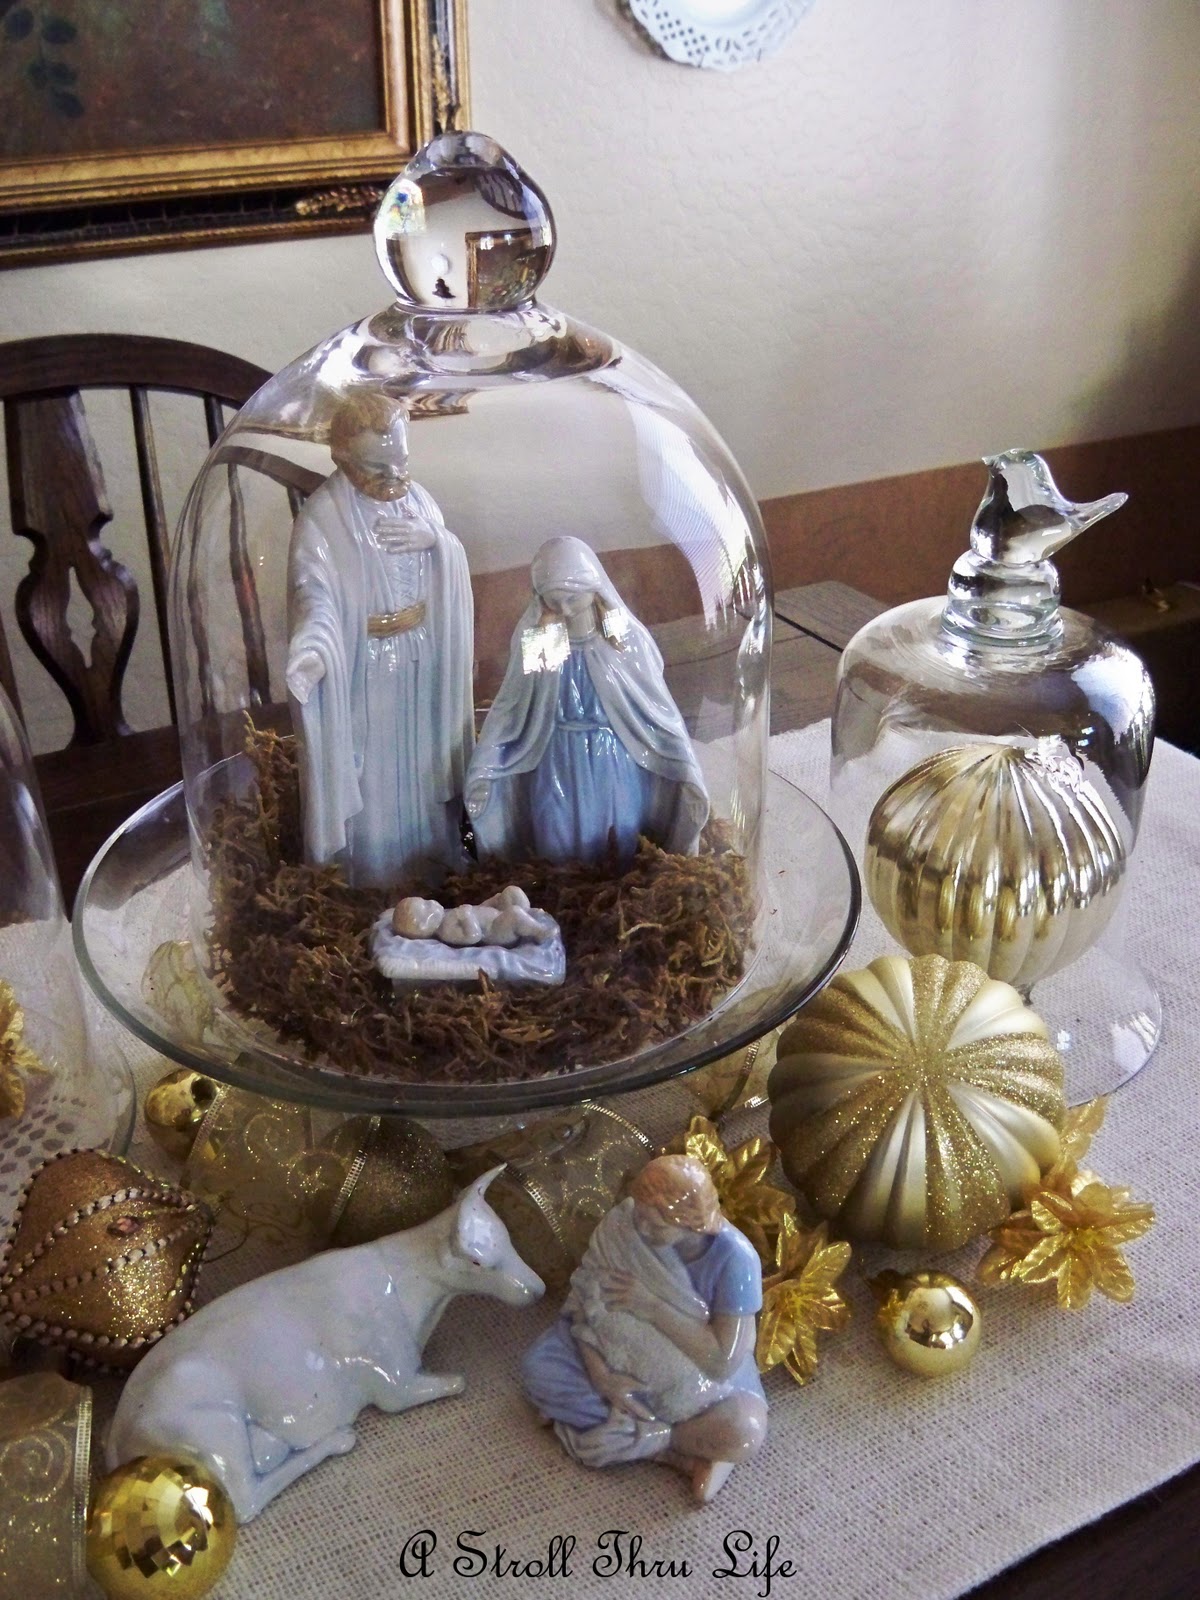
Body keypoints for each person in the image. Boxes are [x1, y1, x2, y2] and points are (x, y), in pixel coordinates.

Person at [285, 392, 474, 888]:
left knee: (423, 763)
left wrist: (438, 544)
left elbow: (451, 568)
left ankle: (435, 862)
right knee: (376, 773)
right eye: (377, 467)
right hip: (364, 665)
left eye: (401, 463)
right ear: (342, 458)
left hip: (421, 657)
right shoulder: (323, 519)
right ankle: (375, 874)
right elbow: (312, 593)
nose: (393, 477)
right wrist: (314, 648)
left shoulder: (420, 501)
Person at [521, 1154, 767, 1504]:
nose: (643, 1231)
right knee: (538, 1368)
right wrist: (603, 1377)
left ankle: (653, 1439)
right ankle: (680, 1453)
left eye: (657, 1226)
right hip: (610, 1348)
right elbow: (583, 1302)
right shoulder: (624, 1224)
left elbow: (721, 1361)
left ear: (694, 1223)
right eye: (640, 1216)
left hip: (699, 1381)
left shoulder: (736, 1259)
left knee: (744, 1430)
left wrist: (650, 1306)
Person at [464, 537, 708, 866]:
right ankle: (556, 886)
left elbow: (650, 696)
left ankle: (618, 883)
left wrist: (679, 759)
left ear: (593, 588)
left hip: (611, 754)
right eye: (554, 601)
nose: (564, 609)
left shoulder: (621, 635)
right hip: (557, 754)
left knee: (616, 831)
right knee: (555, 829)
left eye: (572, 598)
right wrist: (488, 761)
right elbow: (515, 702)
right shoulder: (542, 637)